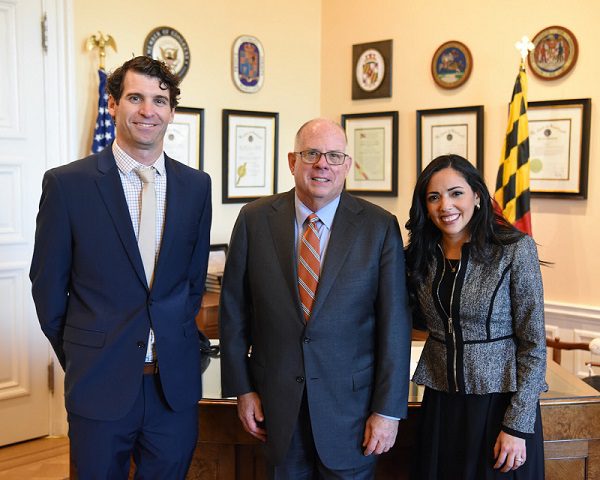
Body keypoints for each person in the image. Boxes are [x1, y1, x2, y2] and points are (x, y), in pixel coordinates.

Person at [30, 56, 212, 479]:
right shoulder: (68, 184)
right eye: (135, 97)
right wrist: (83, 353)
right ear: (112, 104)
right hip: (99, 382)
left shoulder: (195, 185)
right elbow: (48, 290)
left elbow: (191, 281)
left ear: (172, 111)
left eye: (159, 100)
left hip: (173, 388)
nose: (148, 111)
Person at [219, 118, 412, 479]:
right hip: (275, 412)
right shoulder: (254, 220)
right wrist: (242, 390)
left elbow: (394, 326)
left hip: (352, 415)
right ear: (293, 162)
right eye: (311, 154)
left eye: (334, 156)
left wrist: (387, 412)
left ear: (347, 166)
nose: (323, 164)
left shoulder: (379, 226)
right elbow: (233, 313)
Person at [405, 155, 546, 479]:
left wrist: (518, 426)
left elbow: (534, 345)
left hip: (500, 406)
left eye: (456, 193)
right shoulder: (419, 256)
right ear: (425, 206)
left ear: (477, 196)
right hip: (441, 406)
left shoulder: (514, 249)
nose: (445, 205)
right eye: (434, 197)